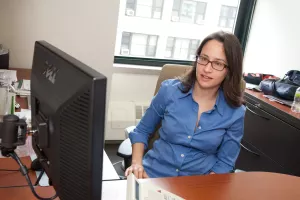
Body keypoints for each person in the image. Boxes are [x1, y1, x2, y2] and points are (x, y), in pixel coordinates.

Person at [125, 31, 246, 179]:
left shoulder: (235, 112)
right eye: (204, 59)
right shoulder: (169, 91)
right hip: (153, 176)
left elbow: (225, 162)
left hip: (196, 186)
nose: (207, 69)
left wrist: (207, 188)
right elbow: (142, 130)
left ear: (230, 70)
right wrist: (137, 164)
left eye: (218, 64)